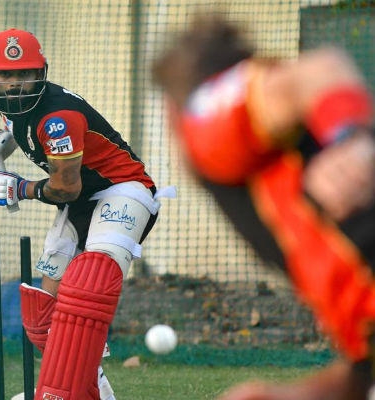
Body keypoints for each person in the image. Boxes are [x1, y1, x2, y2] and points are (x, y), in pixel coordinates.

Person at [152, 12, 375, 400]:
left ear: (172, 112)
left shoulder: (206, 126)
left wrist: (353, 139)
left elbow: (319, 69)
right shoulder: (280, 203)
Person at [0, 28, 174, 400]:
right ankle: (89, 393)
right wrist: (1, 143)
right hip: (80, 203)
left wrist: (21, 188)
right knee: (45, 319)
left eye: (24, 74)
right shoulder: (15, 107)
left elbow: (66, 187)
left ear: (40, 73)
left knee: (89, 283)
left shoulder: (58, 118)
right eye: (6, 74)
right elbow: (23, 129)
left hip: (122, 189)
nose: (15, 85)